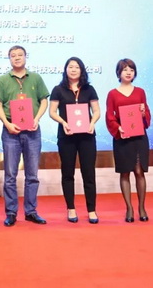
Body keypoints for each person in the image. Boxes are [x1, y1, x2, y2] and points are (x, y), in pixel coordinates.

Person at [0, 45, 50, 227]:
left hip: (32, 131)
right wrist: (7, 124)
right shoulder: (3, 79)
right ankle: (11, 212)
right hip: (11, 131)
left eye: (20, 55)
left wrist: (37, 118)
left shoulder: (36, 78)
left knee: (32, 175)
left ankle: (31, 211)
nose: (16, 58)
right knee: (10, 175)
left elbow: (44, 100)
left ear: (26, 57)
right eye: (13, 55)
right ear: (9, 59)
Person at [49, 57, 100, 224]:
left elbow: (96, 111)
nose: (73, 70)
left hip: (87, 136)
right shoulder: (58, 89)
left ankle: (91, 210)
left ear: (82, 70)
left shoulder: (89, 89)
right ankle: (71, 208)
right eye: (70, 67)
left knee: (89, 173)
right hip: (67, 136)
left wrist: (92, 123)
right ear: (65, 70)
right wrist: (63, 122)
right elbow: (52, 112)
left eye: (77, 67)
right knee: (67, 173)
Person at [105, 59, 151, 223]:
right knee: (125, 172)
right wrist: (118, 128)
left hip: (139, 137)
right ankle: (129, 208)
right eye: (125, 69)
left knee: (139, 171)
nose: (128, 72)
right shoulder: (112, 94)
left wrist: (144, 113)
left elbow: (146, 113)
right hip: (122, 137)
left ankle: (142, 208)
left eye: (131, 69)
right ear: (119, 73)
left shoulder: (140, 92)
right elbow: (109, 116)